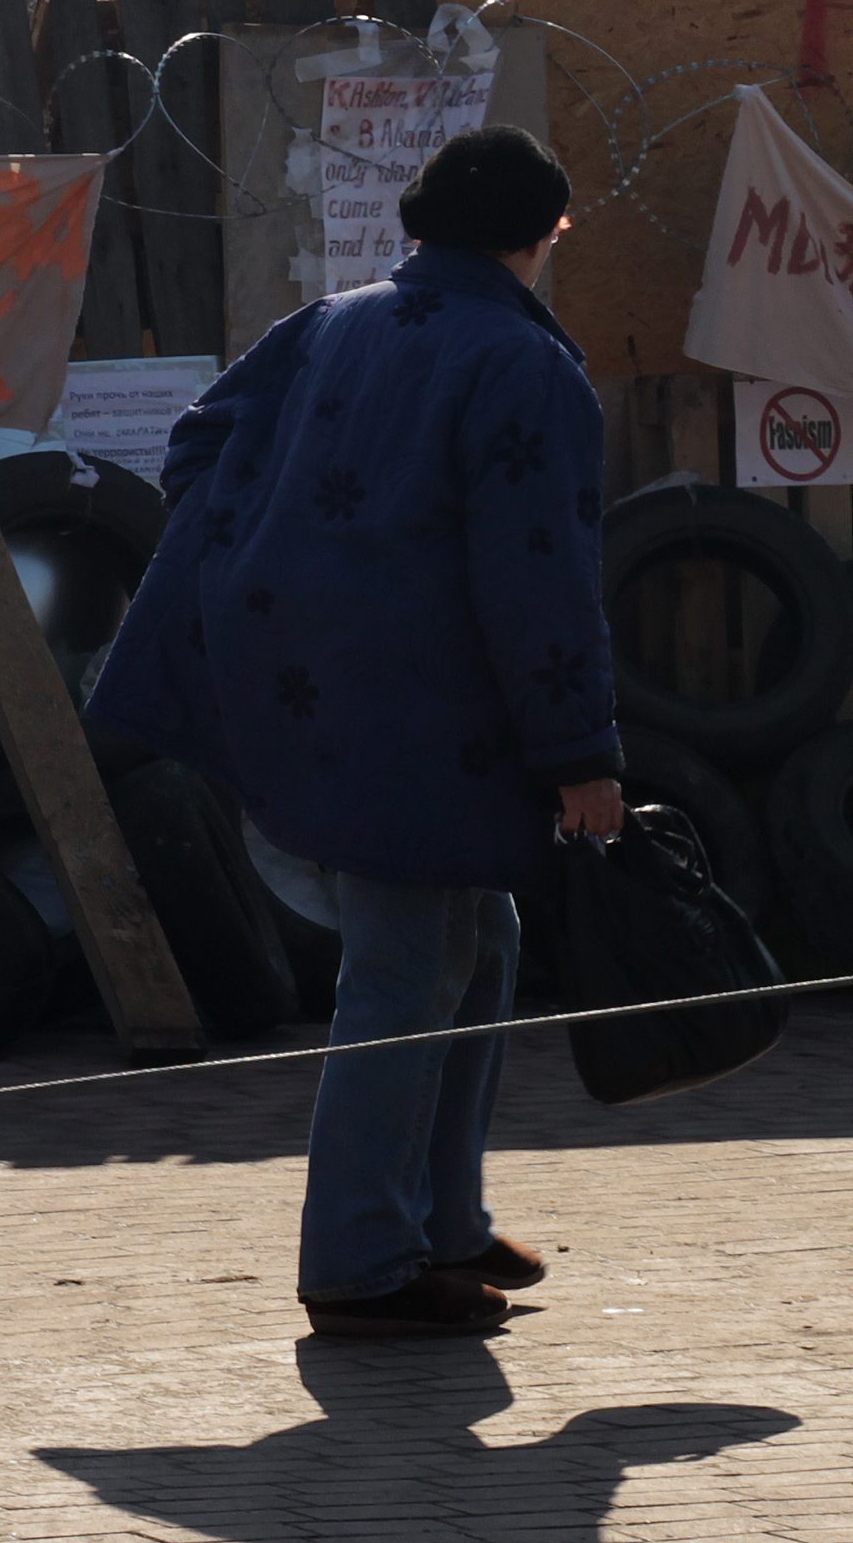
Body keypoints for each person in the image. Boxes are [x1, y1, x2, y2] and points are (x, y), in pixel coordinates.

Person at [86, 123, 625, 1339]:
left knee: (478, 937)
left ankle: (442, 1220)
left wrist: (277, 574)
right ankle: (360, 1261)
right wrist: (581, 754)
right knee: (399, 972)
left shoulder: (328, 322)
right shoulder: (521, 364)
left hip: (319, 689)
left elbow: (196, 448)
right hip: (427, 711)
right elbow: (539, 576)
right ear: (541, 234)